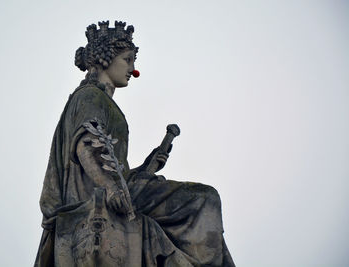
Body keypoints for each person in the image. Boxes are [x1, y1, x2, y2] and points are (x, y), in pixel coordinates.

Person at [35, 21, 235, 267]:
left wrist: (146, 168)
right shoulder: (89, 96)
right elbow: (87, 144)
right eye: (127, 59)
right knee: (204, 198)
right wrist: (111, 187)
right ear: (106, 59)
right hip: (102, 194)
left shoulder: (101, 100)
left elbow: (114, 164)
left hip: (120, 186)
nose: (133, 69)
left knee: (200, 197)